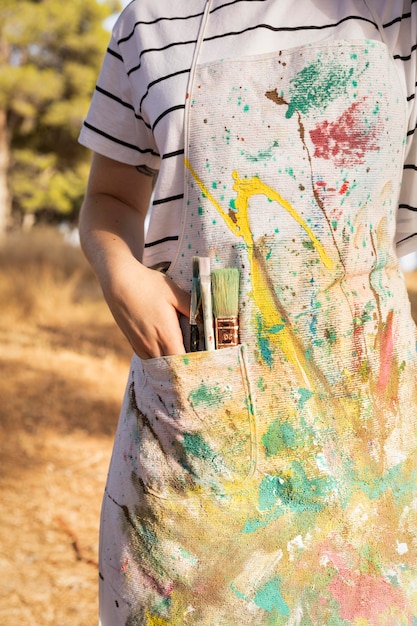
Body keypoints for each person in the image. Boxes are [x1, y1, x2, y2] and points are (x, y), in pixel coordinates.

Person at [79, 1, 417, 623]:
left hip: (370, 444)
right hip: (202, 431)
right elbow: (108, 196)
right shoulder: (150, 21)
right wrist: (121, 273)